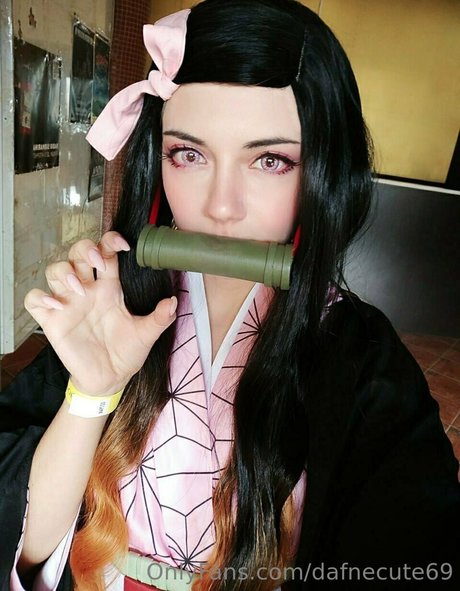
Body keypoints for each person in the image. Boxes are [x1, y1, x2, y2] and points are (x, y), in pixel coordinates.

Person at [1, 0, 459, 589]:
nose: (221, 206)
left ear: (324, 171)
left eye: (270, 160)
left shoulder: (363, 357)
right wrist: (90, 394)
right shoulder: (116, 303)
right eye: (188, 154)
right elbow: (27, 547)